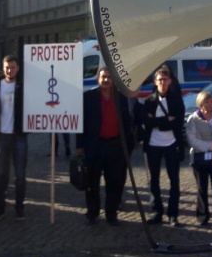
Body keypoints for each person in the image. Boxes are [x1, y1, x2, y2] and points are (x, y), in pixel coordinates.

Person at [77, 67, 133, 226]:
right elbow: (81, 123)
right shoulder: (88, 97)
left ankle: (111, 213)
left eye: (109, 77)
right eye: (103, 77)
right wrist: (79, 145)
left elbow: (127, 121)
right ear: (98, 79)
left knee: (115, 182)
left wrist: (127, 145)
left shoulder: (121, 97)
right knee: (92, 183)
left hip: (115, 146)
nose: (106, 80)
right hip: (95, 145)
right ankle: (92, 213)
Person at [0, 55, 28, 221]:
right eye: (7, 67)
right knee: (1, 174)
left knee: (20, 175)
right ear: (3, 68)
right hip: (1, 135)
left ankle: (19, 207)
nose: (10, 70)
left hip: (19, 135)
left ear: (18, 68)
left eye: (13, 67)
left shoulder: (23, 85)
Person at [140, 67, 184, 227]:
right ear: (155, 82)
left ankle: (173, 214)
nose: (163, 83)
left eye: (165, 80)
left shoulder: (176, 99)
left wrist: (158, 121)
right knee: (154, 180)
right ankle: (157, 211)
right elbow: (147, 122)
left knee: (174, 180)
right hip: (153, 144)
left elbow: (178, 122)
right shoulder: (149, 101)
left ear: (170, 81)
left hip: (171, 143)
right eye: (160, 80)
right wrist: (167, 120)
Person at [185, 91, 212, 227]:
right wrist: (210, 147)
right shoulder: (193, 119)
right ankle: (202, 216)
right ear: (200, 103)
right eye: (207, 102)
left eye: (211, 101)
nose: (210, 104)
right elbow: (192, 139)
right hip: (200, 157)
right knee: (201, 188)